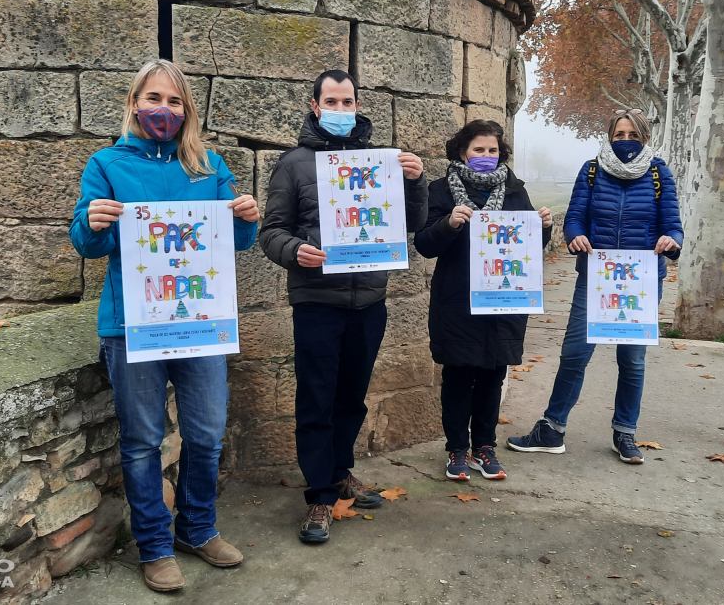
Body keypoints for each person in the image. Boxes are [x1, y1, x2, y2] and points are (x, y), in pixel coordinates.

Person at [70, 60, 260, 592]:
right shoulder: (106, 163)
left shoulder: (208, 165)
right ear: (134, 104)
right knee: (142, 440)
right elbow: (87, 243)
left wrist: (246, 216)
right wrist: (92, 222)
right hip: (132, 325)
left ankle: (197, 529)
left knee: (205, 433)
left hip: (199, 323)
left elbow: (236, 244)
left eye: (175, 102)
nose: (164, 110)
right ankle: (154, 546)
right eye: (154, 99)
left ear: (188, 111)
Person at [258, 69, 428, 543]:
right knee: (317, 396)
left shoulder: (380, 160)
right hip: (316, 299)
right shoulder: (294, 163)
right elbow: (271, 232)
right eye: (330, 102)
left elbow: (411, 223)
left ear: (357, 105)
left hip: (369, 298)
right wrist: (295, 252)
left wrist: (414, 181)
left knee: (351, 394)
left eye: (346, 102)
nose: (339, 110)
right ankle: (319, 497)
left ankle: (339, 471)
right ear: (315, 106)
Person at [507, 109, 682, 464]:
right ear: (609, 136)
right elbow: (574, 217)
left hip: (640, 281)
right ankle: (552, 428)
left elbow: (673, 225)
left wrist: (670, 240)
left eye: (632, 134)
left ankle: (625, 433)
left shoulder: (659, 173)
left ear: (644, 137)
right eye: (619, 135)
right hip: (596, 276)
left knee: (632, 360)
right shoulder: (591, 170)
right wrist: (575, 236)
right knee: (574, 354)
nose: (625, 141)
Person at [414, 120, 553, 482]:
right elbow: (424, 245)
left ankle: (485, 448)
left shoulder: (515, 191)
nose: (486, 156)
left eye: (492, 150)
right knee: (458, 376)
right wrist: (449, 224)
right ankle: (457, 449)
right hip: (457, 301)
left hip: (502, 301)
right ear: (463, 152)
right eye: (479, 150)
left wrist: (545, 227)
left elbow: (529, 248)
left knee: (493, 375)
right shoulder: (441, 191)